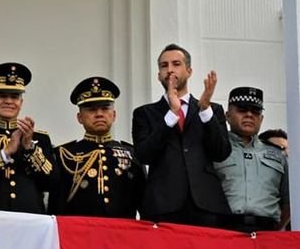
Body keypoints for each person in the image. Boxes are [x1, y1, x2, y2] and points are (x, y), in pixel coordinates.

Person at [132, 43, 231, 228]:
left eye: (176, 64)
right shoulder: (144, 113)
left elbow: (222, 152)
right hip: (163, 207)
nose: (169, 70)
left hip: (206, 206)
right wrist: (171, 115)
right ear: (158, 75)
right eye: (164, 65)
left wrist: (205, 110)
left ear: (189, 70)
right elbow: (143, 155)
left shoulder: (212, 109)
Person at [50, 77, 145, 218]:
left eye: (105, 108)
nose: (99, 114)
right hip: (79, 234)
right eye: (91, 109)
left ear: (114, 115)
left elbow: (144, 204)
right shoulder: (64, 155)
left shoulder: (132, 154)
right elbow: (55, 207)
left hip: (122, 235)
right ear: (79, 117)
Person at [0, 62, 54, 213]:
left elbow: (51, 182)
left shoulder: (40, 138)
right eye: (2, 96)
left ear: (21, 102)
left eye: (15, 96)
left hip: (31, 219)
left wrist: (29, 148)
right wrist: (5, 153)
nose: (9, 101)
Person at [214, 87, 290, 232]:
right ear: (227, 116)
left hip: (267, 233)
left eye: (255, 111)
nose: (249, 115)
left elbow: (289, 202)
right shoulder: (215, 150)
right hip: (225, 231)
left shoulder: (278, 155)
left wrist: (277, 228)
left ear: (261, 119)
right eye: (242, 110)